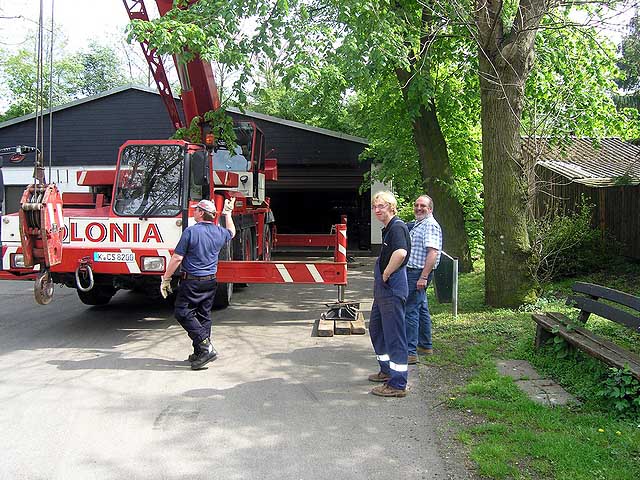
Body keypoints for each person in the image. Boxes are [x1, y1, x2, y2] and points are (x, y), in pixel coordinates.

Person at [160, 197, 236, 370]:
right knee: (203, 316)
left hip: (192, 282)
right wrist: (228, 213)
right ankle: (200, 354)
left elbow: (177, 257)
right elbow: (232, 232)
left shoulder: (191, 231)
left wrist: (166, 278)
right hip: (210, 281)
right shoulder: (219, 232)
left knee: (182, 312)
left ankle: (205, 346)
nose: (193, 211)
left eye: (196, 210)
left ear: (201, 213)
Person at [368, 191, 411, 397]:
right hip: (384, 291)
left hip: (392, 288)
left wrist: (386, 273)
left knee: (394, 336)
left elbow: (401, 253)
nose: (377, 210)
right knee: (377, 329)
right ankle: (386, 371)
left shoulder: (397, 227)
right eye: (375, 207)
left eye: (381, 206)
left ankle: (398, 384)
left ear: (391, 207)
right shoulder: (388, 229)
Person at [405, 195, 442, 364]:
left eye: (423, 206)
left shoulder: (430, 225)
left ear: (430, 209)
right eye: (416, 205)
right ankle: (425, 345)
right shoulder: (420, 223)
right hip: (415, 272)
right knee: (421, 308)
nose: (419, 208)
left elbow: (432, 253)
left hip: (418, 273)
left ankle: (410, 352)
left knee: (410, 310)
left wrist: (423, 276)